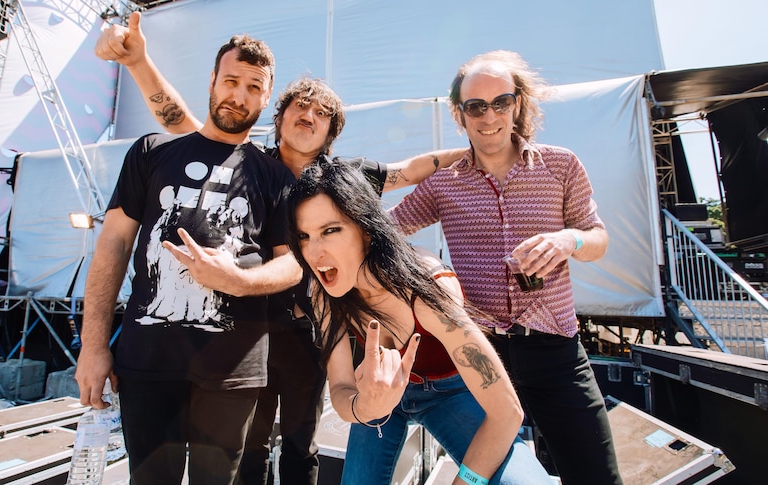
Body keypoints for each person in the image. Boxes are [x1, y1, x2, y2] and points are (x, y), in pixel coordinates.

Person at [95, 12, 464, 485]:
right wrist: (139, 63)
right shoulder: (248, 164)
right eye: (299, 106)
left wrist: (473, 150)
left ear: (332, 132)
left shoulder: (343, 179)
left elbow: (410, 170)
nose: (308, 117)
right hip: (247, 327)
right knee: (246, 447)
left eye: (321, 113)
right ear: (279, 112)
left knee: (300, 442)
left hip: (308, 330)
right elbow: (179, 120)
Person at [75, 33, 302, 485]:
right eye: (231, 80)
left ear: (266, 97)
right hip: (146, 360)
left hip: (232, 368)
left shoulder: (275, 175)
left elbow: (295, 263)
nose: (239, 96)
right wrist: (94, 346)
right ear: (213, 80)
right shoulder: (152, 152)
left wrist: (240, 280)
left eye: (254, 87)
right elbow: (113, 247)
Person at [389, 50, 622, 484]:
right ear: (460, 115)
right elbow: (387, 231)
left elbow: (598, 238)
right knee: (499, 479)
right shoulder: (444, 183)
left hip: (555, 349)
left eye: (501, 102)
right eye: (476, 106)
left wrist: (567, 239)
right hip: (481, 356)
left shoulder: (561, 164)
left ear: (517, 104)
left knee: (597, 476)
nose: (489, 115)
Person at [262, 157, 550, 485]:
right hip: (377, 403)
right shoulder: (325, 294)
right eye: (303, 236)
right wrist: (366, 405)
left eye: (330, 230)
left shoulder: (428, 290)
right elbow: (342, 390)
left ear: (365, 228)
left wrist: (465, 481)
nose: (314, 252)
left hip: (450, 393)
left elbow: (508, 412)